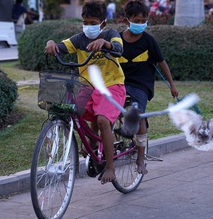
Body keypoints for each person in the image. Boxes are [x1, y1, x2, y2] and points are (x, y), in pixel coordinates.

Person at [44, 1, 126, 185]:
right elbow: (61, 46)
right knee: (73, 112)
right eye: (86, 23)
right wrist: (51, 44)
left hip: (111, 86)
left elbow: (119, 49)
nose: (89, 27)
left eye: (93, 23)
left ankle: (110, 167)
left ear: (103, 24)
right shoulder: (79, 39)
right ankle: (92, 145)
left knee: (103, 120)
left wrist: (105, 43)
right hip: (88, 86)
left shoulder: (111, 34)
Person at [119, 0, 178, 174]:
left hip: (141, 85)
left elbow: (162, 63)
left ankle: (140, 158)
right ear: (126, 21)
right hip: (119, 83)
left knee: (138, 115)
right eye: (136, 20)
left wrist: (172, 86)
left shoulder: (148, 40)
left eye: (143, 20)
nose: (140, 24)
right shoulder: (116, 38)